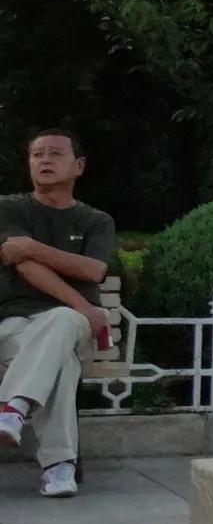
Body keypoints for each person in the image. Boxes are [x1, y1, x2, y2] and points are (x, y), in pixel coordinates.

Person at [0, 129, 117, 498]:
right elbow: (22, 265)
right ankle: (59, 467)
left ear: (78, 166)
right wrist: (85, 306)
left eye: (55, 153)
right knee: (61, 362)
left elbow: (94, 270)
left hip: (73, 326)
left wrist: (30, 247)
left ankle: (13, 407)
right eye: (37, 154)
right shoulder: (9, 208)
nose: (44, 160)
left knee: (63, 320)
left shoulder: (96, 220)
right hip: (14, 327)